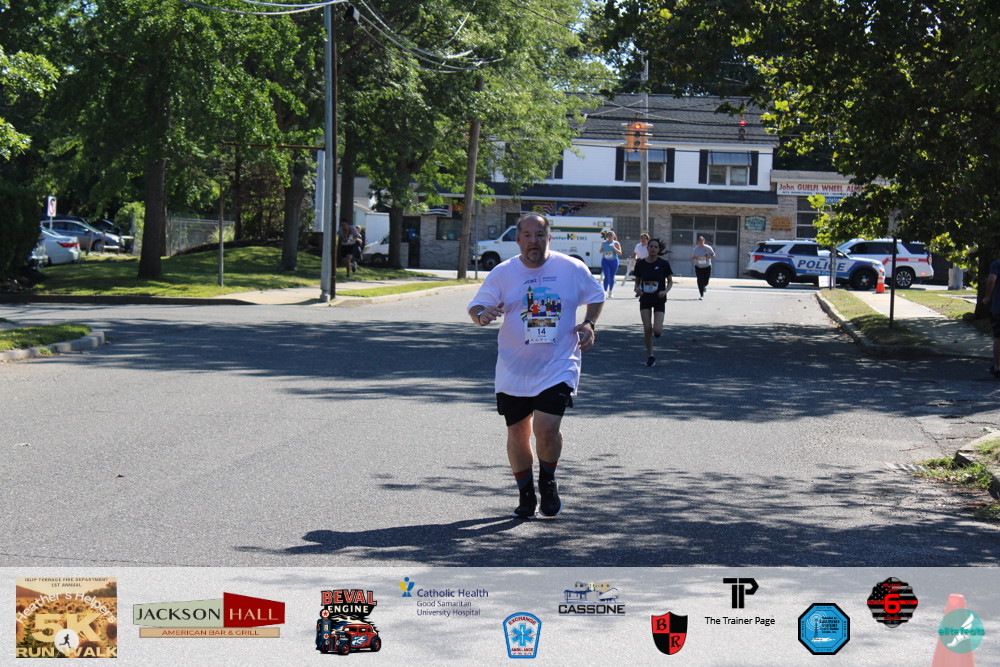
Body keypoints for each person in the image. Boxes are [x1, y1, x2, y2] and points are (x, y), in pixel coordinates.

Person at [468, 213, 605, 518]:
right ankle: (526, 493)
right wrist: (481, 315)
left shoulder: (571, 268)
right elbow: (476, 306)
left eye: (540, 235)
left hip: (559, 364)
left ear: (549, 238)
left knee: (546, 428)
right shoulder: (503, 273)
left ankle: (548, 481)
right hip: (514, 368)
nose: (534, 241)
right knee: (518, 432)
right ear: (517, 240)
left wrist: (589, 323)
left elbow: (596, 295)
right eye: (528, 236)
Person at [633, 238, 673, 367]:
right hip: (645, 298)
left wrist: (665, 291)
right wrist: (637, 289)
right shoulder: (640, 264)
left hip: (659, 299)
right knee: (647, 328)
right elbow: (637, 281)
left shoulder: (663, 264)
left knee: (656, 330)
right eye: (651, 246)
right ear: (647, 248)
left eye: (656, 247)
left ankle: (657, 332)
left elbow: (670, 281)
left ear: (659, 249)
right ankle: (650, 356)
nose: (653, 249)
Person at [981, 257, 1000, 378]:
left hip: (998, 307)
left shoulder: (997, 264)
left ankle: (998, 367)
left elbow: (991, 280)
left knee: (998, 337)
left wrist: (987, 297)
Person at [691, 235, 715, 300]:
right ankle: (701, 294)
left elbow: (713, 255)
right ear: (698, 242)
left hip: (707, 266)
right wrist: (695, 258)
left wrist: (709, 257)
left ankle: (704, 286)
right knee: (700, 280)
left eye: (702, 241)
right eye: (700, 241)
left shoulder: (708, 248)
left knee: (706, 281)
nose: (701, 242)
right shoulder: (695, 249)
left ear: (704, 241)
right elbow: (692, 258)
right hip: (698, 267)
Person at [600, 230, 622, 298]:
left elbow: (620, 253)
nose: (610, 236)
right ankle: (605, 291)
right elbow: (600, 250)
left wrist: (614, 248)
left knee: (612, 276)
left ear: (614, 236)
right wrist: (601, 250)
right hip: (605, 261)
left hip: (614, 261)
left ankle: (611, 291)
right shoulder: (604, 243)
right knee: (607, 276)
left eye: (611, 235)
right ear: (607, 236)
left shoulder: (616, 243)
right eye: (609, 235)